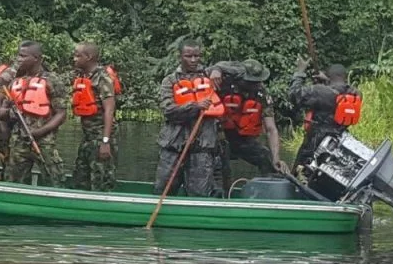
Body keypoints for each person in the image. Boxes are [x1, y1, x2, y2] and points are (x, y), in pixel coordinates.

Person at [153, 40, 224, 198]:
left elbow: (240, 69)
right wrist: (194, 106)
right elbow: (168, 110)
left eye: (196, 56)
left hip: (202, 147)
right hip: (174, 145)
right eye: (188, 56)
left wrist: (219, 68)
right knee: (163, 189)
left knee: (199, 193)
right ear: (180, 56)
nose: (193, 60)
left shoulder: (210, 78)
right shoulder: (170, 81)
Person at [211, 59, 290, 193]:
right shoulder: (223, 85)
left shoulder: (262, 94)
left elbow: (271, 129)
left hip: (243, 139)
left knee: (266, 158)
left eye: (258, 81)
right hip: (219, 138)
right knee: (222, 167)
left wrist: (276, 157)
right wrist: (216, 70)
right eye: (252, 81)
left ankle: (267, 193)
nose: (256, 84)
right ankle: (221, 195)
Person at [0, 41, 67, 187]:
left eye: (23, 56)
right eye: (18, 55)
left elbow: (61, 114)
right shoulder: (15, 82)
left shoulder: (52, 80)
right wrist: (9, 111)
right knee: (14, 181)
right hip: (18, 142)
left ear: (36, 58)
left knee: (54, 180)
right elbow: (1, 113)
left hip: (44, 142)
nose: (18, 59)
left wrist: (40, 131)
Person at [289, 58, 363, 169]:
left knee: (299, 173)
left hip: (315, 143)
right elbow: (337, 92)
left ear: (329, 76)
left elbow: (294, 95)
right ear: (345, 76)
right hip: (339, 141)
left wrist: (300, 72)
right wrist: (328, 81)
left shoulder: (319, 91)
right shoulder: (356, 94)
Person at [69, 42, 117, 192]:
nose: (74, 59)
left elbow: (109, 110)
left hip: (100, 137)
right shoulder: (84, 76)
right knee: (80, 179)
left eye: (78, 55)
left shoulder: (103, 78)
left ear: (88, 57)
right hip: (88, 138)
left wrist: (105, 141)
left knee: (101, 181)